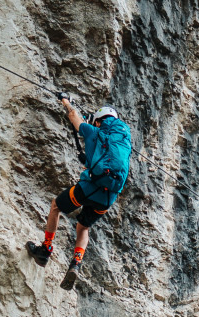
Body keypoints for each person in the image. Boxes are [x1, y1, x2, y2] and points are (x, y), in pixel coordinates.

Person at [27, 97, 132, 291]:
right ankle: (75, 263)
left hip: (89, 187)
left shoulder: (94, 131)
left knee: (56, 206)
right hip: (108, 197)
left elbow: (74, 116)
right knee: (83, 227)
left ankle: (45, 249)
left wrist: (65, 101)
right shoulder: (123, 141)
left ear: (99, 121)